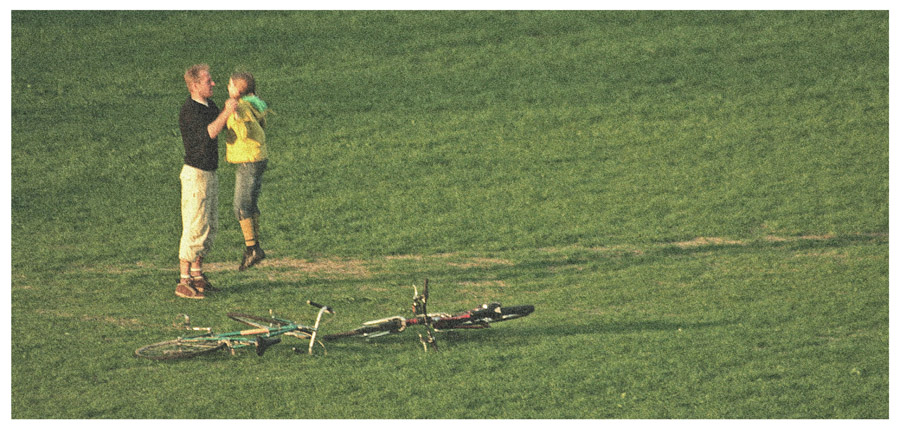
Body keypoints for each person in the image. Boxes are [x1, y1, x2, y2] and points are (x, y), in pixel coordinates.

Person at [176, 64, 237, 299]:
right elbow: (210, 133)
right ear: (194, 85)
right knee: (195, 225)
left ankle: (197, 275)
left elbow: (223, 124)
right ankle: (184, 281)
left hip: (210, 173)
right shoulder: (190, 111)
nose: (213, 84)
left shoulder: (209, 106)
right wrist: (227, 111)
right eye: (207, 81)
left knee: (208, 225)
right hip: (196, 175)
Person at [225, 71, 270, 271]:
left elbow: (243, 132)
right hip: (258, 157)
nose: (227, 87)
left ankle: (252, 249)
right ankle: (254, 245)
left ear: (237, 90)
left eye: (230, 85)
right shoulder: (255, 103)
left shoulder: (241, 107)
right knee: (250, 205)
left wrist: (234, 118)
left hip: (247, 160)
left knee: (241, 207)